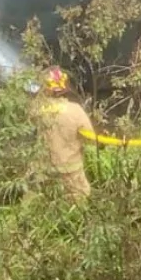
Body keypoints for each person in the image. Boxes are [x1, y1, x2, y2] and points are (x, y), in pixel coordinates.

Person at [29, 66, 96, 202]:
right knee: (79, 199)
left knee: (41, 202)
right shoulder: (75, 110)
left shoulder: (36, 110)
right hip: (71, 169)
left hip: (43, 169)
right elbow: (91, 139)